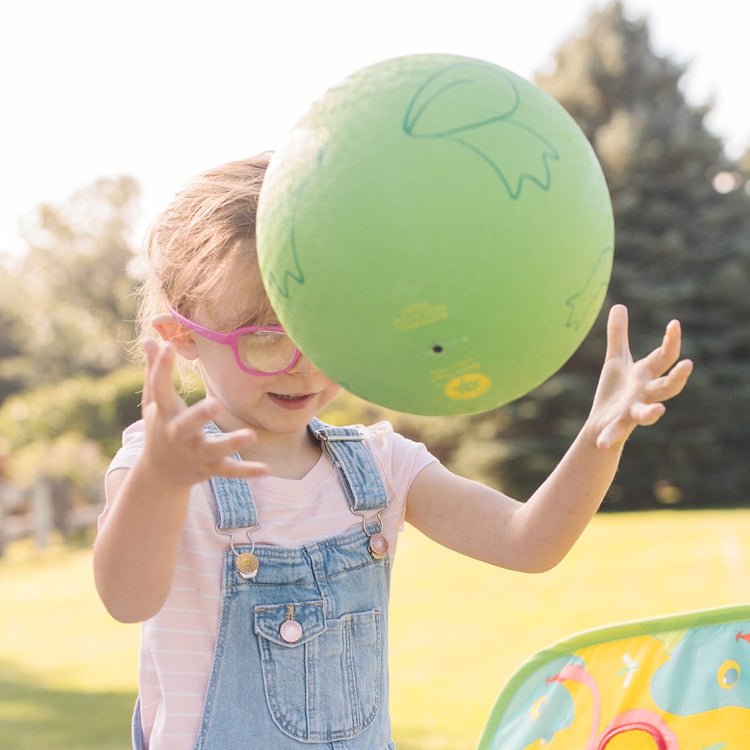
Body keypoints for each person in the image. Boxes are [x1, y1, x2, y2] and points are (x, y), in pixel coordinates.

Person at [93, 152, 693, 750]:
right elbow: (127, 598)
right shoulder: (160, 462)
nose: (302, 369)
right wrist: (164, 482)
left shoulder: (380, 465)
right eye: (267, 339)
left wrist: (599, 437)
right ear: (183, 334)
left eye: (323, 332)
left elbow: (527, 542)